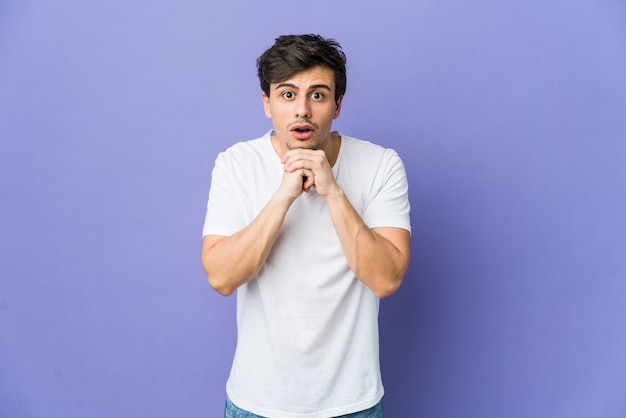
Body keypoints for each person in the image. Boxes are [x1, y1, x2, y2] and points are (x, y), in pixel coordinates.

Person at [201, 34, 411, 418]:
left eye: (317, 95)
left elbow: (387, 279)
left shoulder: (381, 165)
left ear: (338, 105)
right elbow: (222, 278)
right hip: (257, 403)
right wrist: (283, 196)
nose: (302, 110)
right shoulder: (236, 164)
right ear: (267, 103)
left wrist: (333, 191)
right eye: (286, 94)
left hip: (352, 404)